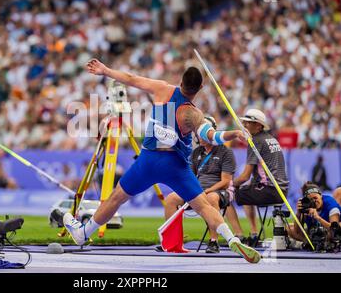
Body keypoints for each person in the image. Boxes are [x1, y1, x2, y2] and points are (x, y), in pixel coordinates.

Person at [64, 58, 261, 263]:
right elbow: (211, 136)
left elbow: (131, 79)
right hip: (176, 166)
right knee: (204, 206)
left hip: (149, 160)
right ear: (200, 87)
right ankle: (230, 239)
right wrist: (235, 133)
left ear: (181, 81)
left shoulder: (162, 89)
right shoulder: (193, 114)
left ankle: (83, 233)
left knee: (116, 199)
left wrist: (105, 70)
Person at [164, 116, 237, 253]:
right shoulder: (195, 152)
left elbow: (225, 182)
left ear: (213, 134)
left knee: (211, 198)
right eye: (198, 134)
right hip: (198, 190)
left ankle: (213, 242)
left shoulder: (226, 152)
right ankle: (172, 241)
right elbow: (189, 176)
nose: (200, 137)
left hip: (220, 191)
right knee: (170, 199)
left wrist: (207, 190)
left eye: (204, 134)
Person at [230, 109, 289, 246]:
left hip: (270, 190)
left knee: (230, 193)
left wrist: (230, 184)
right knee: (246, 190)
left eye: (248, 122)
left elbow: (245, 176)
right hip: (281, 190)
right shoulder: (271, 139)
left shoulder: (255, 141)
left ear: (258, 125)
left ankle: (241, 234)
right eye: (244, 122)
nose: (244, 125)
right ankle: (254, 232)